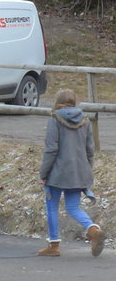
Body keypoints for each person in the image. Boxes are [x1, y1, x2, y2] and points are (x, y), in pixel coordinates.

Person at [39, 89, 105, 257]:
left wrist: (43, 173)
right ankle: (93, 229)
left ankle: (54, 245)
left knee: (52, 207)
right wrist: (87, 169)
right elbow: (90, 149)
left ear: (57, 101)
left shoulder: (55, 119)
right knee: (73, 207)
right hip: (79, 171)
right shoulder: (85, 120)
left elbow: (51, 149)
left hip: (57, 173)